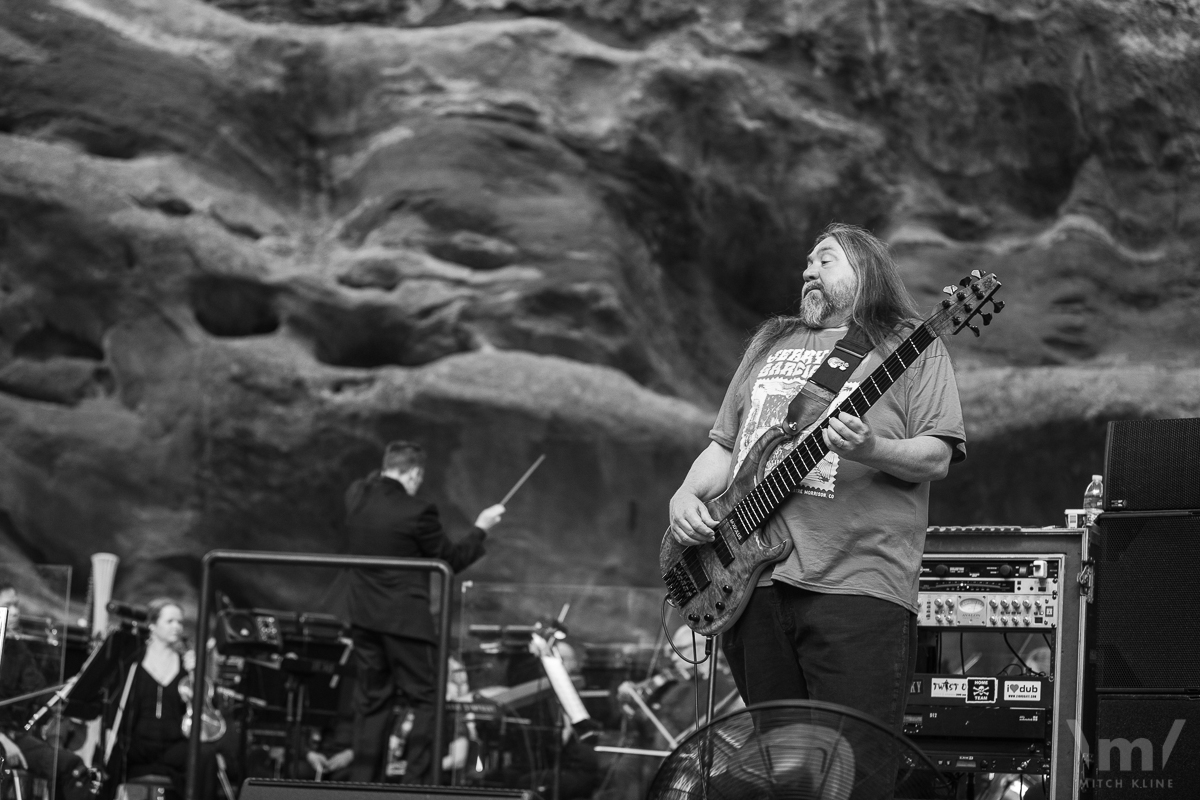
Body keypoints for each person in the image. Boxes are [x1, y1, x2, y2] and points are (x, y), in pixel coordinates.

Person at [668, 222, 966, 733]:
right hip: (750, 584)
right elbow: (724, 445)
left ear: (865, 270)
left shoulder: (912, 347)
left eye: (824, 260)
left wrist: (872, 448)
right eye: (806, 263)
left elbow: (937, 456)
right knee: (781, 767)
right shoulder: (770, 342)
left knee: (853, 766)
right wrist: (685, 495)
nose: (808, 271)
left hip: (854, 587)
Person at [343, 440, 505, 785]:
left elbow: (373, 482)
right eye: (419, 476)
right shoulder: (418, 511)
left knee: (373, 700)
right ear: (414, 473)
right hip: (404, 620)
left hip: (363, 617)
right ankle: (414, 783)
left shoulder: (356, 498)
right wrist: (481, 527)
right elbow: (450, 559)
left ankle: (361, 784)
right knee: (428, 694)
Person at [0, 587, 94, 800]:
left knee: (71, 765)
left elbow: (39, 691)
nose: (15, 611)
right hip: (2, 740)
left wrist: (69, 689)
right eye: (8, 605)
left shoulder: (17, 649)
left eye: (17, 605)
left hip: (13, 734)